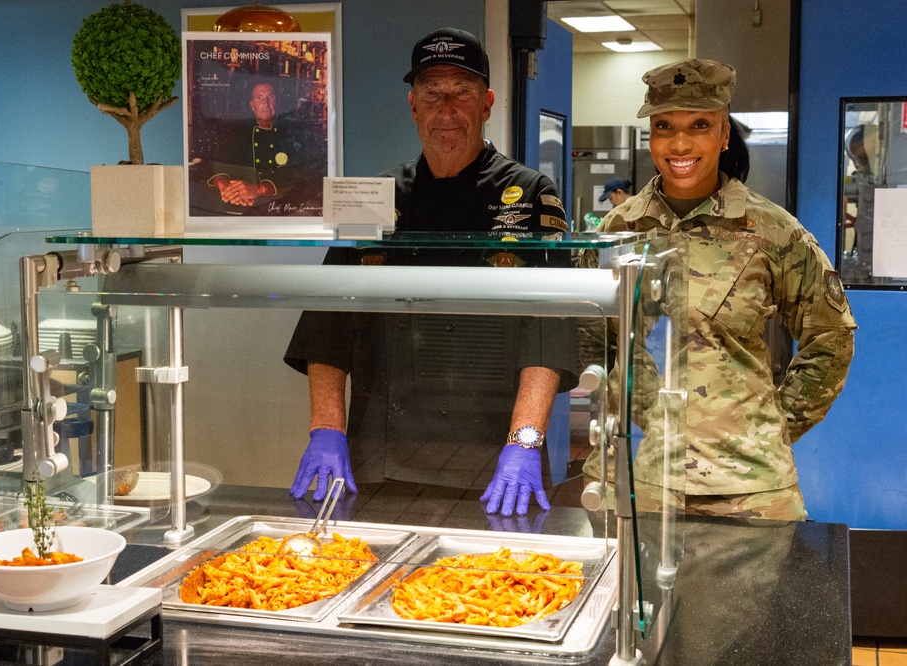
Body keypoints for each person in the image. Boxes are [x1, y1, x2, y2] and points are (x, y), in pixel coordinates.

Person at [284, 27, 574, 517]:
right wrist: (326, 430)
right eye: (432, 94)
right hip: (382, 453)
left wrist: (524, 441)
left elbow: (549, 327)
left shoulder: (530, 193)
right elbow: (329, 322)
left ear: (487, 103)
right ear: (412, 105)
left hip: (496, 454)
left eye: (461, 93)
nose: (446, 110)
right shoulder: (375, 196)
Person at [581, 58, 857, 521]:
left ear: (724, 135)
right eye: (665, 125)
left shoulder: (770, 230)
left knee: (755, 597)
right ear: (651, 134)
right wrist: (632, 408)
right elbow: (591, 335)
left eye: (700, 124)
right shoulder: (617, 230)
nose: (680, 142)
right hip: (635, 471)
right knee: (625, 594)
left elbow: (831, 336)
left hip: (747, 486)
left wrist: (769, 426)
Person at [196, 79, 326, 215]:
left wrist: (259, 189)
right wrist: (224, 185)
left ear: (277, 102)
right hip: (239, 204)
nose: (266, 104)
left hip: (283, 204)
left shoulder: (292, 131)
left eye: (270, 97)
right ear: (252, 105)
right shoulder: (237, 131)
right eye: (260, 98)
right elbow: (219, 163)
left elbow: (301, 173)